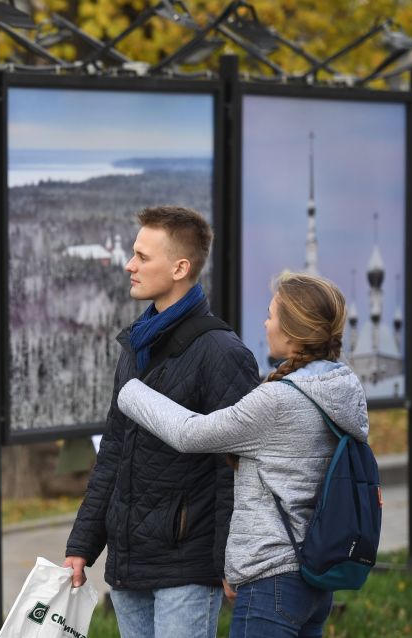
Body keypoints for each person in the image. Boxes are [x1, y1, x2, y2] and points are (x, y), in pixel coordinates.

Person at [117, 272, 369, 637]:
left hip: (272, 581)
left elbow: (191, 433)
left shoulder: (280, 400)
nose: (265, 324)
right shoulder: (342, 389)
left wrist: (131, 389)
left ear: (292, 330)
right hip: (314, 577)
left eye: (271, 315)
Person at [64, 205, 260, 638]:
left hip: (187, 566)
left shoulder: (222, 354)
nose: (129, 266)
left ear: (180, 268)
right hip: (130, 562)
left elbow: (234, 470)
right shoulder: (136, 345)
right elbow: (113, 451)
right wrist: (82, 546)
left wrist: (230, 558)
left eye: (142, 257)